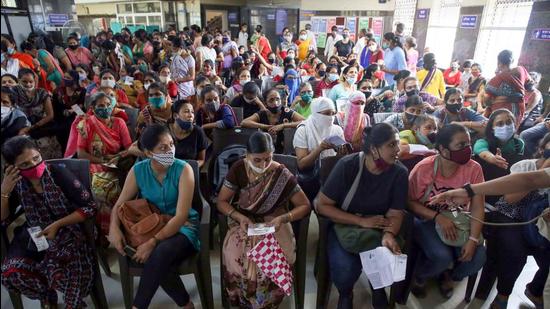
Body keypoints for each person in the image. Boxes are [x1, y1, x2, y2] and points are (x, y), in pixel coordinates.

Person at [316, 123, 408, 309]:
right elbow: (322, 205)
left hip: (378, 227)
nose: (398, 150)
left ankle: (377, 286)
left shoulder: (399, 173)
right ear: (374, 149)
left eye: (398, 144)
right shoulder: (347, 166)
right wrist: (360, 221)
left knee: (387, 259)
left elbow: (396, 212)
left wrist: (388, 234)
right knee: (345, 271)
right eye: (391, 145)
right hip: (346, 225)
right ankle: (345, 293)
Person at [0, 136, 97, 308]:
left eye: (36, 158)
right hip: (35, 231)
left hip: (68, 229)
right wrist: (4, 193)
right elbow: (4, 219)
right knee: (12, 271)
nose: (34, 166)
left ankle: (71, 302)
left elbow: (90, 207)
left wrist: (58, 224)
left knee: (65, 262)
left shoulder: (58, 173)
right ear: (12, 168)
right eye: (25, 165)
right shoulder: (16, 183)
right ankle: (45, 295)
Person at [108, 124, 199, 309]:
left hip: (184, 227)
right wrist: (114, 228)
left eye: (172, 144)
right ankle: (186, 304)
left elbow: (181, 216)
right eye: (163, 148)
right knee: (159, 261)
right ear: (149, 153)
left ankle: (138, 306)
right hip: (152, 225)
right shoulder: (138, 171)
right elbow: (119, 204)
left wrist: (152, 242)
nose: (170, 151)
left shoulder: (183, 170)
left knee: (158, 253)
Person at [217, 132, 310, 308]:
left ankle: (267, 303)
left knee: (276, 257)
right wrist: (239, 216)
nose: (263, 164)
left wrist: (283, 218)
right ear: (247, 155)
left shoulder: (280, 173)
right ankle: (243, 301)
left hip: (274, 222)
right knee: (235, 256)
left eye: (268, 159)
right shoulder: (238, 169)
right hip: (244, 222)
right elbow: (221, 202)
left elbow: (304, 205)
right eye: (257, 160)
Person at [470, 133, 550, 309]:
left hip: (538, 223)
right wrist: (540, 174)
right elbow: (510, 199)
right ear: (542, 149)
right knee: (515, 252)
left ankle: (536, 290)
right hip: (510, 215)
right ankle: (503, 295)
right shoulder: (525, 166)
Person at [408, 123, 486, 299]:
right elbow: (408, 202)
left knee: (478, 257)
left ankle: (449, 276)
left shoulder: (474, 169)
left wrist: (473, 239)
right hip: (426, 219)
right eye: (460, 145)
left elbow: (477, 206)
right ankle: (421, 276)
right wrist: (437, 218)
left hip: (458, 219)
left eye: (468, 144)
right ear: (443, 150)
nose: (467, 149)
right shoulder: (424, 168)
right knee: (441, 256)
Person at [76, 92, 132, 235]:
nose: (105, 108)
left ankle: (115, 226)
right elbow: (81, 154)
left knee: (114, 188)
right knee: (99, 188)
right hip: (94, 164)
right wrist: (102, 160)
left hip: (116, 163)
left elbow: (129, 148)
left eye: (108, 105)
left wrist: (116, 157)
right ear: (93, 109)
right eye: (101, 106)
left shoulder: (119, 123)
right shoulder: (86, 124)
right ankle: (103, 230)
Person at [293, 97, 346, 200]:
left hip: (332, 175)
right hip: (311, 179)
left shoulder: (337, 130)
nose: (331, 117)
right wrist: (319, 149)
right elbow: (302, 164)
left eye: (333, 113)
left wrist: (341, 154)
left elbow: (341, 160)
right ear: (316, 113)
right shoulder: (303, 130)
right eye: (326, 113)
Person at [13, 68, 61, 160]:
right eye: (24, 82)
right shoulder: (14, 93)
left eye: (31, 81)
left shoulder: (42, 93)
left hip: (41, 129)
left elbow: (50, 116)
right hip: (21, 130)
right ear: (18, 80)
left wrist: (31, 127)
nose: (28, 84)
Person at [241, 88, 305, 153]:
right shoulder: (262, 113)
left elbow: (304, 121)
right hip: (265, 149)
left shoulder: (286, 111)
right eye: (271, 100)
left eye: (278, 99)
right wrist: (265, 126)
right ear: (265, 103)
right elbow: (244, 122)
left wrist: (283, 125)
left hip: (285, 151)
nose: (275, 103)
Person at [484, 50, 530, 126]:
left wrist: (497, 99)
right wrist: (515, 95)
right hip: (518, 109)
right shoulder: (521, 70)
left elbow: (486, 100)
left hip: (500, 111)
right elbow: (529, 84)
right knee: (511, 129)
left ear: (499, 63)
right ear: (513, 61)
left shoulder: (496, 80)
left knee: (499, 130)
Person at [52, 70, 87, 151]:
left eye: (68, 78)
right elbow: (55, 109)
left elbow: (81, 108)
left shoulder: (81, 91)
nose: (65, 79)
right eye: (64, 77)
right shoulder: (58, 92)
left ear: (75, 79)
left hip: (77, 117)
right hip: (61, 118)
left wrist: (72, 110)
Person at [169, 100, 208, 167]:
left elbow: (201, 160)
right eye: (186, 111)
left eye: (192, 112)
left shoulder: (198, 132)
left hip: (189, 172)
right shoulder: (164, 131)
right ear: (175, 115)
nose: (191, 115)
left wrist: (188, 168)